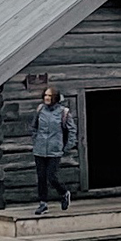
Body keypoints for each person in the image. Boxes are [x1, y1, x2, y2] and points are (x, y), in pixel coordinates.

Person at [31, 86, 76, 215]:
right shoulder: (40, 110)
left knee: (51, 176)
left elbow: (72, 130)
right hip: (39, 150)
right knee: (41, 177)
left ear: (55, 97)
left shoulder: (64, 112)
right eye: (45, 95)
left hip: (55, 150)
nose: (47, 98)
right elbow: (34, 127)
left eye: (50, 96)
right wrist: (36, 140)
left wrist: (66, 147)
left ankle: (64, 192)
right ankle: (43, 203)